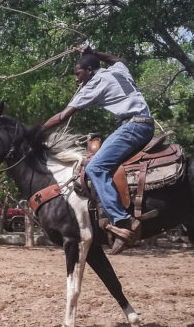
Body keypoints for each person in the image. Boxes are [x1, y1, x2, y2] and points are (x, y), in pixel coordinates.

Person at [42, 45, 155, 254]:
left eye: (78, 73)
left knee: (95, 167)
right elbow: (115, 56)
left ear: (90, 71)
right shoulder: (118, 71)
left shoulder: (94, 84)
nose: (76, 79)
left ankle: (122, 221)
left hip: (132, 126)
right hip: (146, 123)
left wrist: (37, 131)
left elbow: (62, 116)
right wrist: (93, 51)